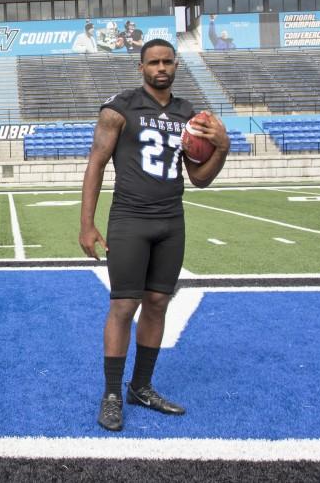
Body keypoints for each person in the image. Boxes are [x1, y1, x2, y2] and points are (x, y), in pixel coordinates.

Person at [78, 38, 230, 432]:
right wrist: (87, 223)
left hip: (170, 219)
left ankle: (141, 387)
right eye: (153, 62)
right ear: (141, 67)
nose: (160, 68)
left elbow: (199, 179)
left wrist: (223, 148)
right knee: (124, 306)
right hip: (130, 219)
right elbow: (95, 163)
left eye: (167, 62)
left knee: (159, 302)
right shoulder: (119, 108)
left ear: (176, 65)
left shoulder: (189, 115)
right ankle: (112, 393)